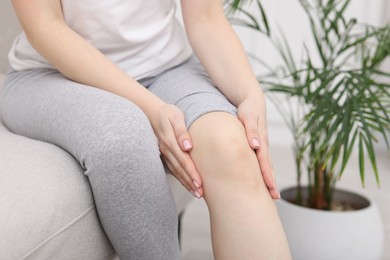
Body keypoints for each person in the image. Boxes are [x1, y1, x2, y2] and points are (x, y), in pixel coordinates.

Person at [1, 0, 291, 259]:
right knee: (124, 137)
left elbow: (206, 17)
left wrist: (250, 94)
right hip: (49, 75)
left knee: (230, 145)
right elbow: (44, 27)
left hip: (166, 68)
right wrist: (150, 108)